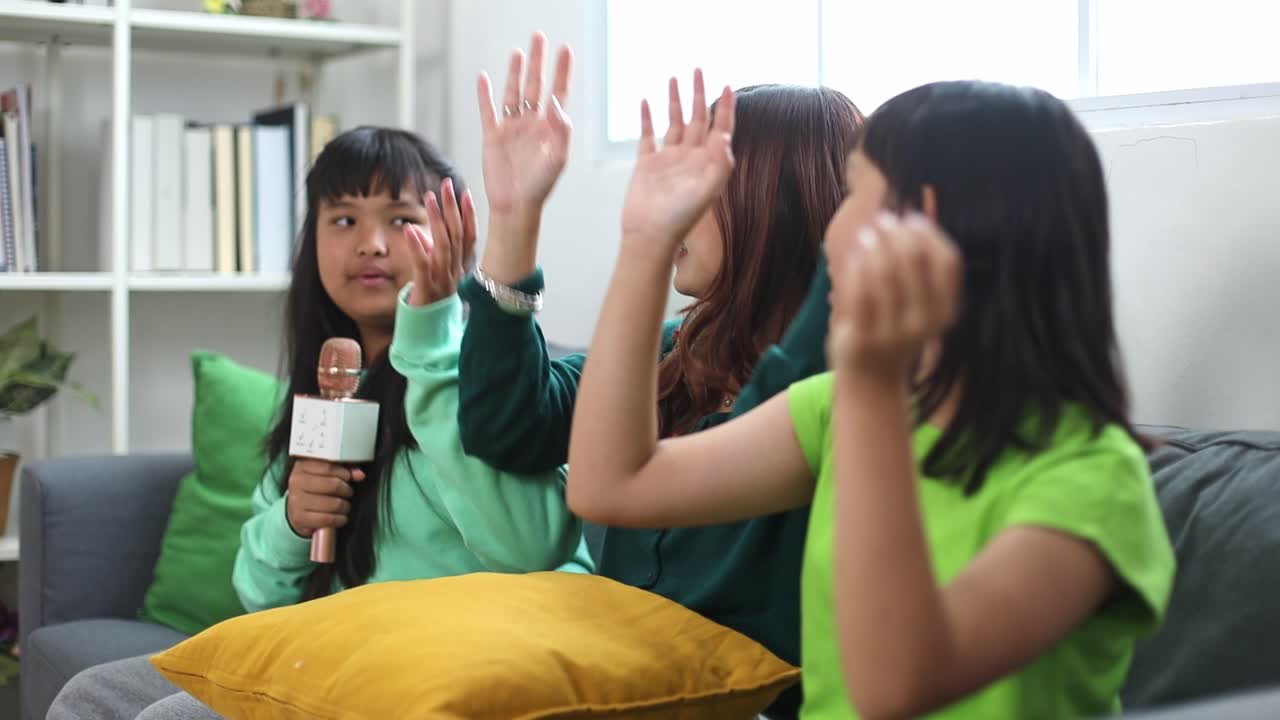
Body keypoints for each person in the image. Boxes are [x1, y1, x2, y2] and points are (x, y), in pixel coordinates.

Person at [566, 79, 1176, 719]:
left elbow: (892, 688)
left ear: (922, 220)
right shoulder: (838, 405)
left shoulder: (1093, 480)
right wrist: (645, 242)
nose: (831, 229)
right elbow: (611, 485)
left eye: (854, 193)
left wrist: (873, 386)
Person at [47, 126, 589, 720]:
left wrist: (434, 342)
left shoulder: (490, 380)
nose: (372, 244)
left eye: (401, 218)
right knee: (91, 697)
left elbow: (533, 547)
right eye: (344, 220)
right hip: (319, 653)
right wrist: (293, 521)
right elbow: (257, 594)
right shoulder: (326, 391)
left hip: (428, 664)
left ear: (451, 235)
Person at [457, 35, 860, 717]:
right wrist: (515, 217)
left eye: (701, 182)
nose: (672, 202)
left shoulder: (840, 387)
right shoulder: (680, 348)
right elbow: (507, 426)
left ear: (775, 200)